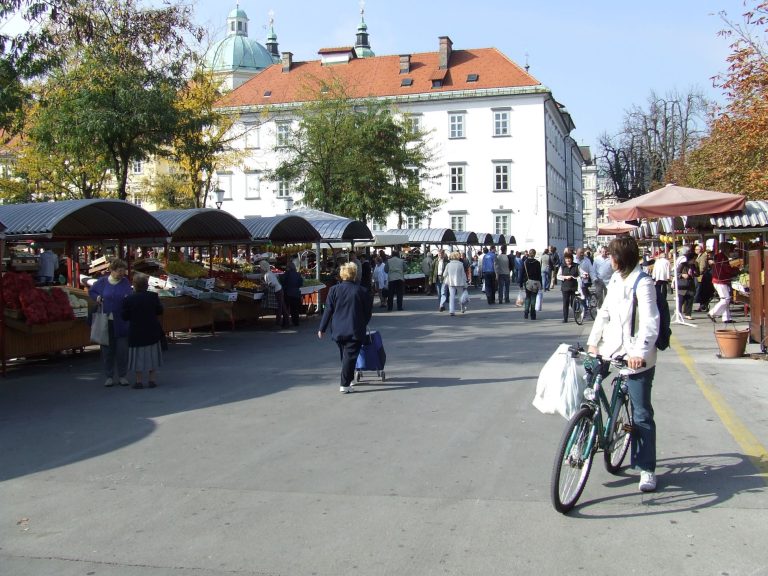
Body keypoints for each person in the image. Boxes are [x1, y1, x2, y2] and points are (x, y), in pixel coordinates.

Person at [587, 236, 660, 493]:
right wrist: (593, 342)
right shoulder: (616, 280)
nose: (609, 259)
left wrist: (639, 352)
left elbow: (650, 323)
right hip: (611, 348)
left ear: (621, 258)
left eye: (612, 255)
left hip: (635, 354)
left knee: (641, 414)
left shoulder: (644, 283)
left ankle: (647, 469)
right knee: (590, 382)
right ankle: (588, 427)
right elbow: (604, 312)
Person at [317, 262, 373, 393]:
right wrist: (363, 323)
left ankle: (349, 378)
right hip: (355, 329)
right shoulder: (362, 291)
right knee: (350, 356)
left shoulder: (333, 290)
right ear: (354, 275)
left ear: (342, 275)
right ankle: (345, 384)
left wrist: (322, 328)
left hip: (338, 329)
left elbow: (328, 310)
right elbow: (367, 313)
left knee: (346, 355)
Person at [89, 259, 132, 387]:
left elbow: (129, 295)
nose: (122, 273)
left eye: (124, 271)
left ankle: (123, 376)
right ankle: (109, 376)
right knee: (107, 351)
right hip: (106, 321)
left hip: (122, 322)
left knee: (122, 351)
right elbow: (92, 291)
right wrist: (97, 298)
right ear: (112, 270)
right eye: (119, 271)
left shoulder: (125, 282)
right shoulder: (102, 282)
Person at [122, 273, 164, 389]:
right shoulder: (153, 296)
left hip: (136, 331)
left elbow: (125, 316)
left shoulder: (128, 299)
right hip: (151, 330)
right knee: (152, 355)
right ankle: (152, 380)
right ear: (146, 285)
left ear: (134, 285)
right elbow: (159, 311)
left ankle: (139, 381)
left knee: (137, 357)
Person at [708, 243, 739, 323]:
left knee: (725, 299)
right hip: (720, 280)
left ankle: (726, 318)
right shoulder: (722, 257)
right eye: (730, 249)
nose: (731, 251)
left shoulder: (719, 256)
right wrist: (736, 270)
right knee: (726, 299)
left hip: (720, 280)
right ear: (727, 249)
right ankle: (712, 313)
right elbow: (726, 269)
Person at [260, 260, 288, 327]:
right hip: (279, 290)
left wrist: (265, 284)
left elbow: (273, 283)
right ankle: (286, 322)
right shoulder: (269, 273)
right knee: (282, 307)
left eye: (260, 267)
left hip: (277, 291)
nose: (260, 268)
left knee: (279, 308)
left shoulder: (267, 274)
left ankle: (278, 324)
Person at [557, 252, 580, 323]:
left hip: (574, 287)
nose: (568, 261)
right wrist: (565, 277)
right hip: (565, 287)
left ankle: (576, 314)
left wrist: (578, 277)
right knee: (565, 303)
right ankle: (565, 318)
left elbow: (580, 275)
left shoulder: (576, 266)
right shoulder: (562, 266)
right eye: (566, 259)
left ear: (572, 259)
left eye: (569, 259)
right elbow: (558, 276)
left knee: (573, 303)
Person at [443, 251, 468, 316]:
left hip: (451, 282)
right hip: (459, 282)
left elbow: (444, 274)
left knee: (451, 296)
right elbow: (463, 274)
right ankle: (462, 308)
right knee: (460, 296)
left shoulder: (448, 264)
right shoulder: (460, 264)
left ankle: (451, 310)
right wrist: (465, 282)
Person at [676, 251, 699, 320]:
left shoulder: (694, 265)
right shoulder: (682, 265)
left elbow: (698, 273)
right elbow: (675, 273)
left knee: (690, 300)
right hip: (682, 285)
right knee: (681, 300)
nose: (694, 260)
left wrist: (695, 273)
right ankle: (678, 313)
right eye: (694, 259)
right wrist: (682, 275)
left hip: (690, 284)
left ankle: (688, 314)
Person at [281, 261, 304, 327]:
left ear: (288, 267)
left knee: (286, 309)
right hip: (296, 293)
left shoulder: (286, 274)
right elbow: (300, 283)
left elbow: (282, 281)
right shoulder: (298, 274)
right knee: (295, 309)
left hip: (288, 293)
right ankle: (296, 322)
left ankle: (285, 323)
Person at [522, 249, 542, 320]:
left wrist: (521, 283)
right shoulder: (537, 263)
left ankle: (526, 313)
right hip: (535, 282)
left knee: (527, 297)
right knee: (533, 298)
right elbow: (539, 274)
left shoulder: (525, 262)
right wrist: (541, 284)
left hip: (527, 282)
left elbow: (522, 273)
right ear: (535, 254)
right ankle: (533, 314)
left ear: (529, 254)